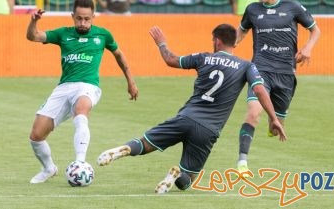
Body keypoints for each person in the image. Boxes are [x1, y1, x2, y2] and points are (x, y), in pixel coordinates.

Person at [97, 24, 286, 194]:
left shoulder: (202, 57)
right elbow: (260, 90)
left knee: (145, 144)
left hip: (185, 118)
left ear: (217, 41)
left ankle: (125, 149)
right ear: (234, 43)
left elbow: (171, 60)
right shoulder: (247, 66)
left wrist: (162, 44)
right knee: (188, 180)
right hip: (208, 130)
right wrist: (274, 118)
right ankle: (176, 175)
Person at [26, 0, 139, 184]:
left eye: (87, 19)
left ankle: (80, 163)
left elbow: (119, 55)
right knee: (36, 136)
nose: (83, 22)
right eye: (79, 18)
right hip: (64, 87)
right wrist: (33, 21)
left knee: (81, 111)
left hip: (88, 86)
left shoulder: (103, 35)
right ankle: (48, 168)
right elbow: (33, 36)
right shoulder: (63, 34)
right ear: (72, 16)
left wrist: (131, 81)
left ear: (93, 16)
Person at [235, 0, 321, 175]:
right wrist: (229, 47)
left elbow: (315, 30)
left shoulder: (292, 7)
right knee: (253, 113)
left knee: (275, 128)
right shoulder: (252, 9)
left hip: (285, 73)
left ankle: (273, 122)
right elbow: (241, 31)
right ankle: (242, 163)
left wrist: (308, 48)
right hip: (260, 70)